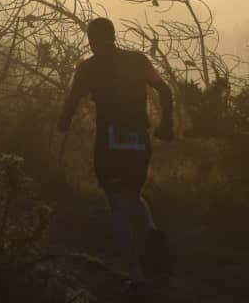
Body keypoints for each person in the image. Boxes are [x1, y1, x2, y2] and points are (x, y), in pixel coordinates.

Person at [58, 17, 173, 290]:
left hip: (109, 143)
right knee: (133, 195)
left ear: (92, 39)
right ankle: (151, 232)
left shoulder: (88, 67)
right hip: (139, 140)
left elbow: (73, 98)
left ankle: (135, 275)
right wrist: (166, 123)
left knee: (117, 206)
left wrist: (63, 122)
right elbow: (164, 89)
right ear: (113, 35)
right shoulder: (138, 60)